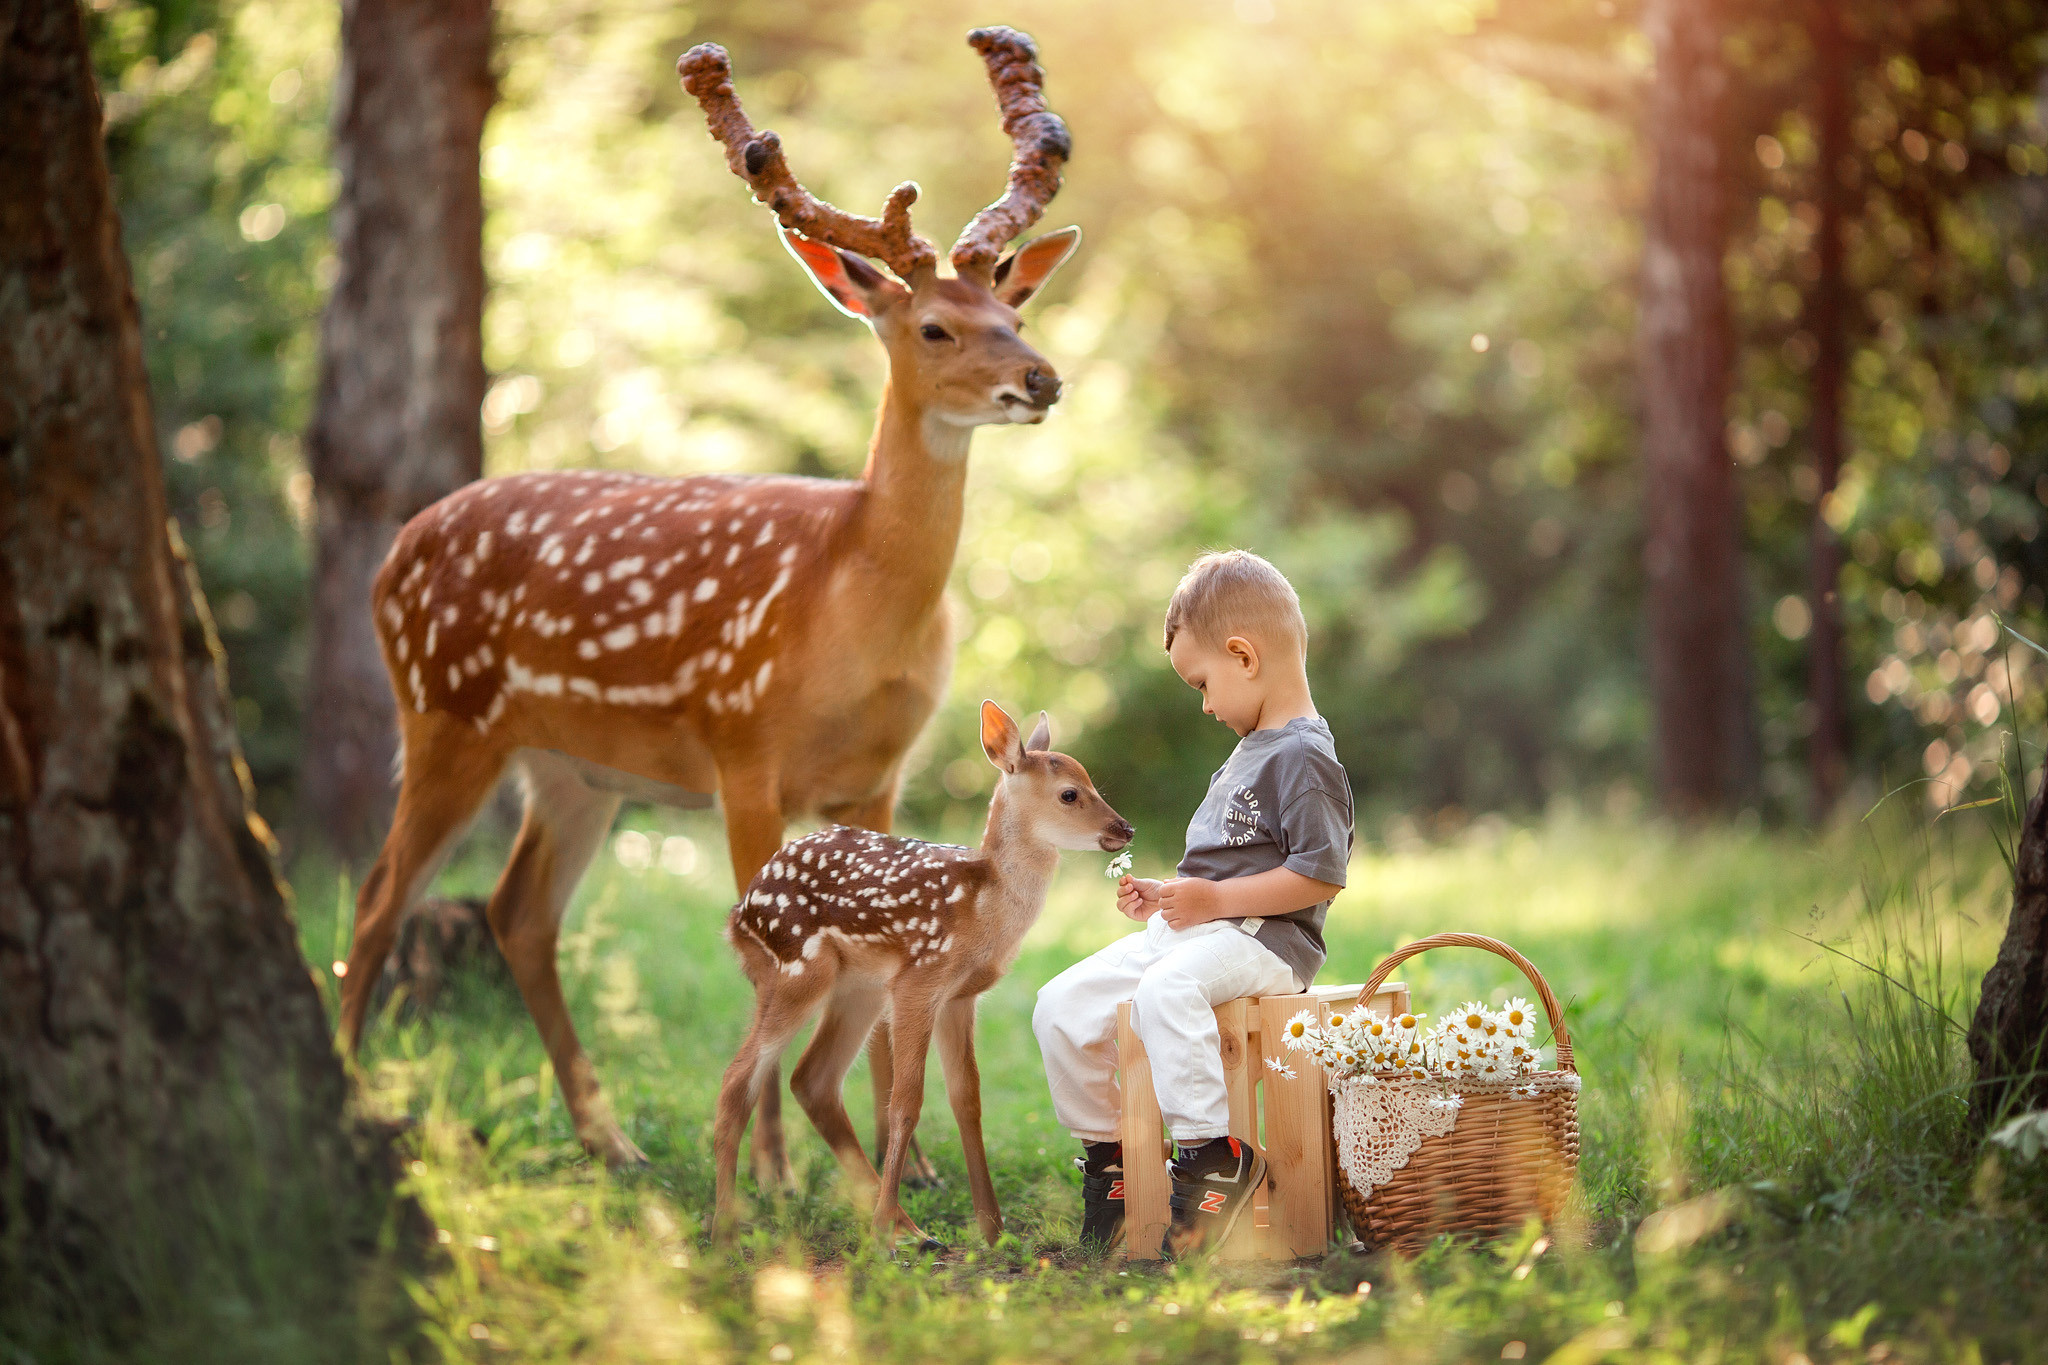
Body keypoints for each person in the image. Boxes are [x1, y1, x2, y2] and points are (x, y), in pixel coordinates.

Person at [1033, 550, 1355, 1258]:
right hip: (1203, 931)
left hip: (1266, 944)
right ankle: (1110, 1163)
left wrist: (1212, 898)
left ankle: (1216, 1155)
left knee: (1165, 989)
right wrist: (1170, 893)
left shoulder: (1303, 756)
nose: (1205, 704)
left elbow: (1320, 876)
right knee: (1059, 1004)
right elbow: (1217, 869)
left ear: (1243, 655)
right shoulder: (1248, 748)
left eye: (1204, 683)